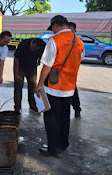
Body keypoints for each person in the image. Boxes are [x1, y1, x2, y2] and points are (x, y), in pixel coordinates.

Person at [35, 15, 84, 157]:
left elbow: (47, 65)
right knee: (64, 118)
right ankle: (63, 145)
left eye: (53, 29)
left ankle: (53, 149)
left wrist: (39, 85)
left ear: (55, 25)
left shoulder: (54, 40)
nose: (53, 31)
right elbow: (79, 61)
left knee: (51, 119)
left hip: (54, 88)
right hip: (69, 88)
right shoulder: (79, 41)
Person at [14, 38, 46, 113]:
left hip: (32, 67)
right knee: (19, 85)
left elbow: (44, 56)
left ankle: (33, 106)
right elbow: (16, 59)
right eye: (32, 48)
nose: (32, 50)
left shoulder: (43, 46)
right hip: (20, 66)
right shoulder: (23, 44)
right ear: (32, 43)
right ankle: (17, 108)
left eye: (35, 49)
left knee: (32, 86)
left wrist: (39, 61)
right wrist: (16, 74)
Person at [68, 22, 82, 117]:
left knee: (73, 91)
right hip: (60, 73)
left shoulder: (78, 42)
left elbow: (81, 57)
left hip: (71, 73)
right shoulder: (61, 40)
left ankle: (77, 108)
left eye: (71, 30)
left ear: (75, 31)